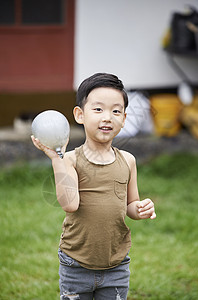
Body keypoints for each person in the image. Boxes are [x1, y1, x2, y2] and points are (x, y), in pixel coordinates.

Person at [32, 73, 156, 300]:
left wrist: (139, 209)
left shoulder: (128, 160)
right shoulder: (70, 160)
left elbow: (130, 204)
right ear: (80, 115)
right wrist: (56, 159)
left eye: (116, 111)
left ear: (125, 119)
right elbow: (70, 204)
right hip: (76, 264)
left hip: (116, 265)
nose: (107, 117)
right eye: (98, 109)